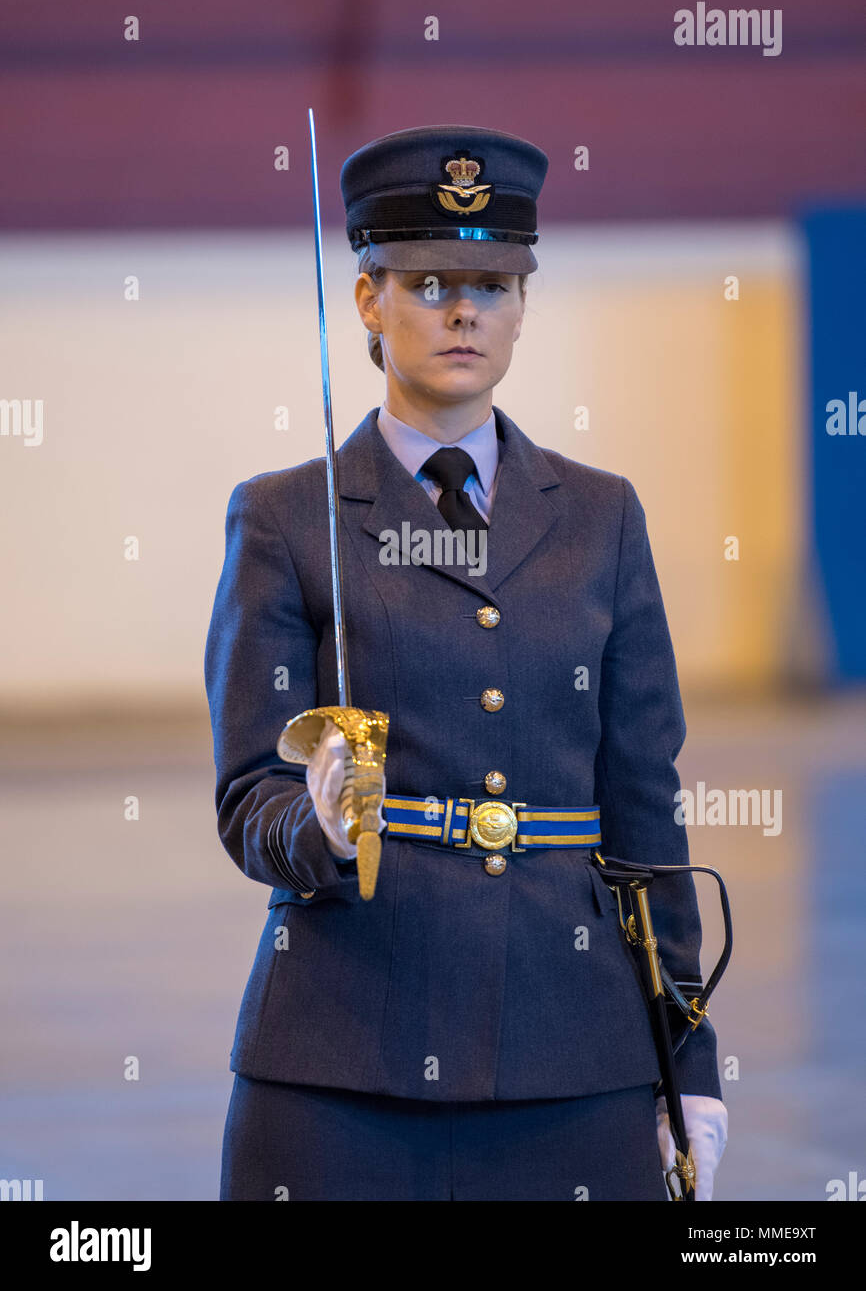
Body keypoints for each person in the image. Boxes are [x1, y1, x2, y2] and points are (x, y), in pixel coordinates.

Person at [203, 124, 729, 1201]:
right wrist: (317, 824)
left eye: (491, 283)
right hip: (341, 1062)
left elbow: (642, 809)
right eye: (429, 279)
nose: (461, 310)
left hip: (570, 1055)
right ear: (366, 299)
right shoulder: (284, 518)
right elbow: (248, 795)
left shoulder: (599, 517)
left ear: (522, 306)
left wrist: (688, 1059)